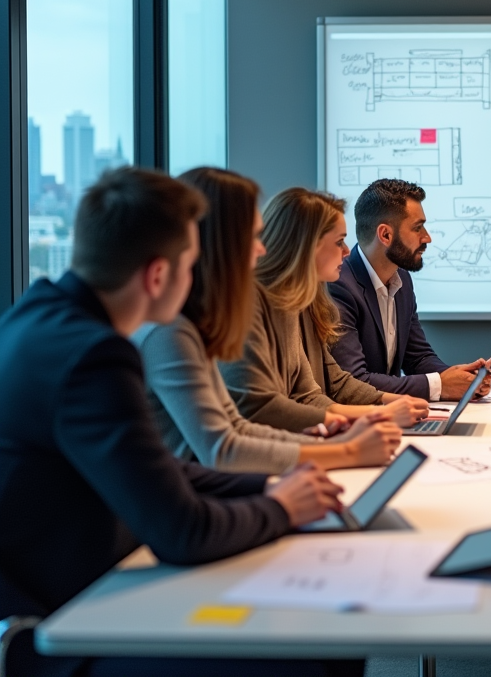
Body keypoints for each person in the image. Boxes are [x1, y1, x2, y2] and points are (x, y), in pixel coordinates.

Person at [0, 168, 361, 677]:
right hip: (58, 628)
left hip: (80, 587)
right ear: (157, 276)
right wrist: (279, 507)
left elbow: (160, 469)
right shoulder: (95, 357)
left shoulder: (38, 318)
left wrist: (273, 486)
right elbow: (183, 532)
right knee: (316, 648)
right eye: (191, 264)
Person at [133, 168, 401, 473]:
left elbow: (239, 428)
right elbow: (225, 447)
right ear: (221, 242)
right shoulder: (172, 331)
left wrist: (340, 445)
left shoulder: (197, 323)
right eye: (252, 237)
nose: (262, 247)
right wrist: (348, 451)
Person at [220, 186, 429, 435]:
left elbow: (322, 388)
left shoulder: (304, 303)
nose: (347, 251)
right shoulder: (250, 304)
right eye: (339, 241)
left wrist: (390, 402)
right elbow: (263, 409)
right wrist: (377, 415)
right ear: (307, 246)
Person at [329, 178, 491, 401]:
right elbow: (355, 380)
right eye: (417, 227)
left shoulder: (401, 278)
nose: (427, 237)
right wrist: (439, 385)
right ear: (385, 235)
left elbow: (417, 358)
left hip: (394, 415)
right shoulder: (339, 285)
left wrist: (460, 379)